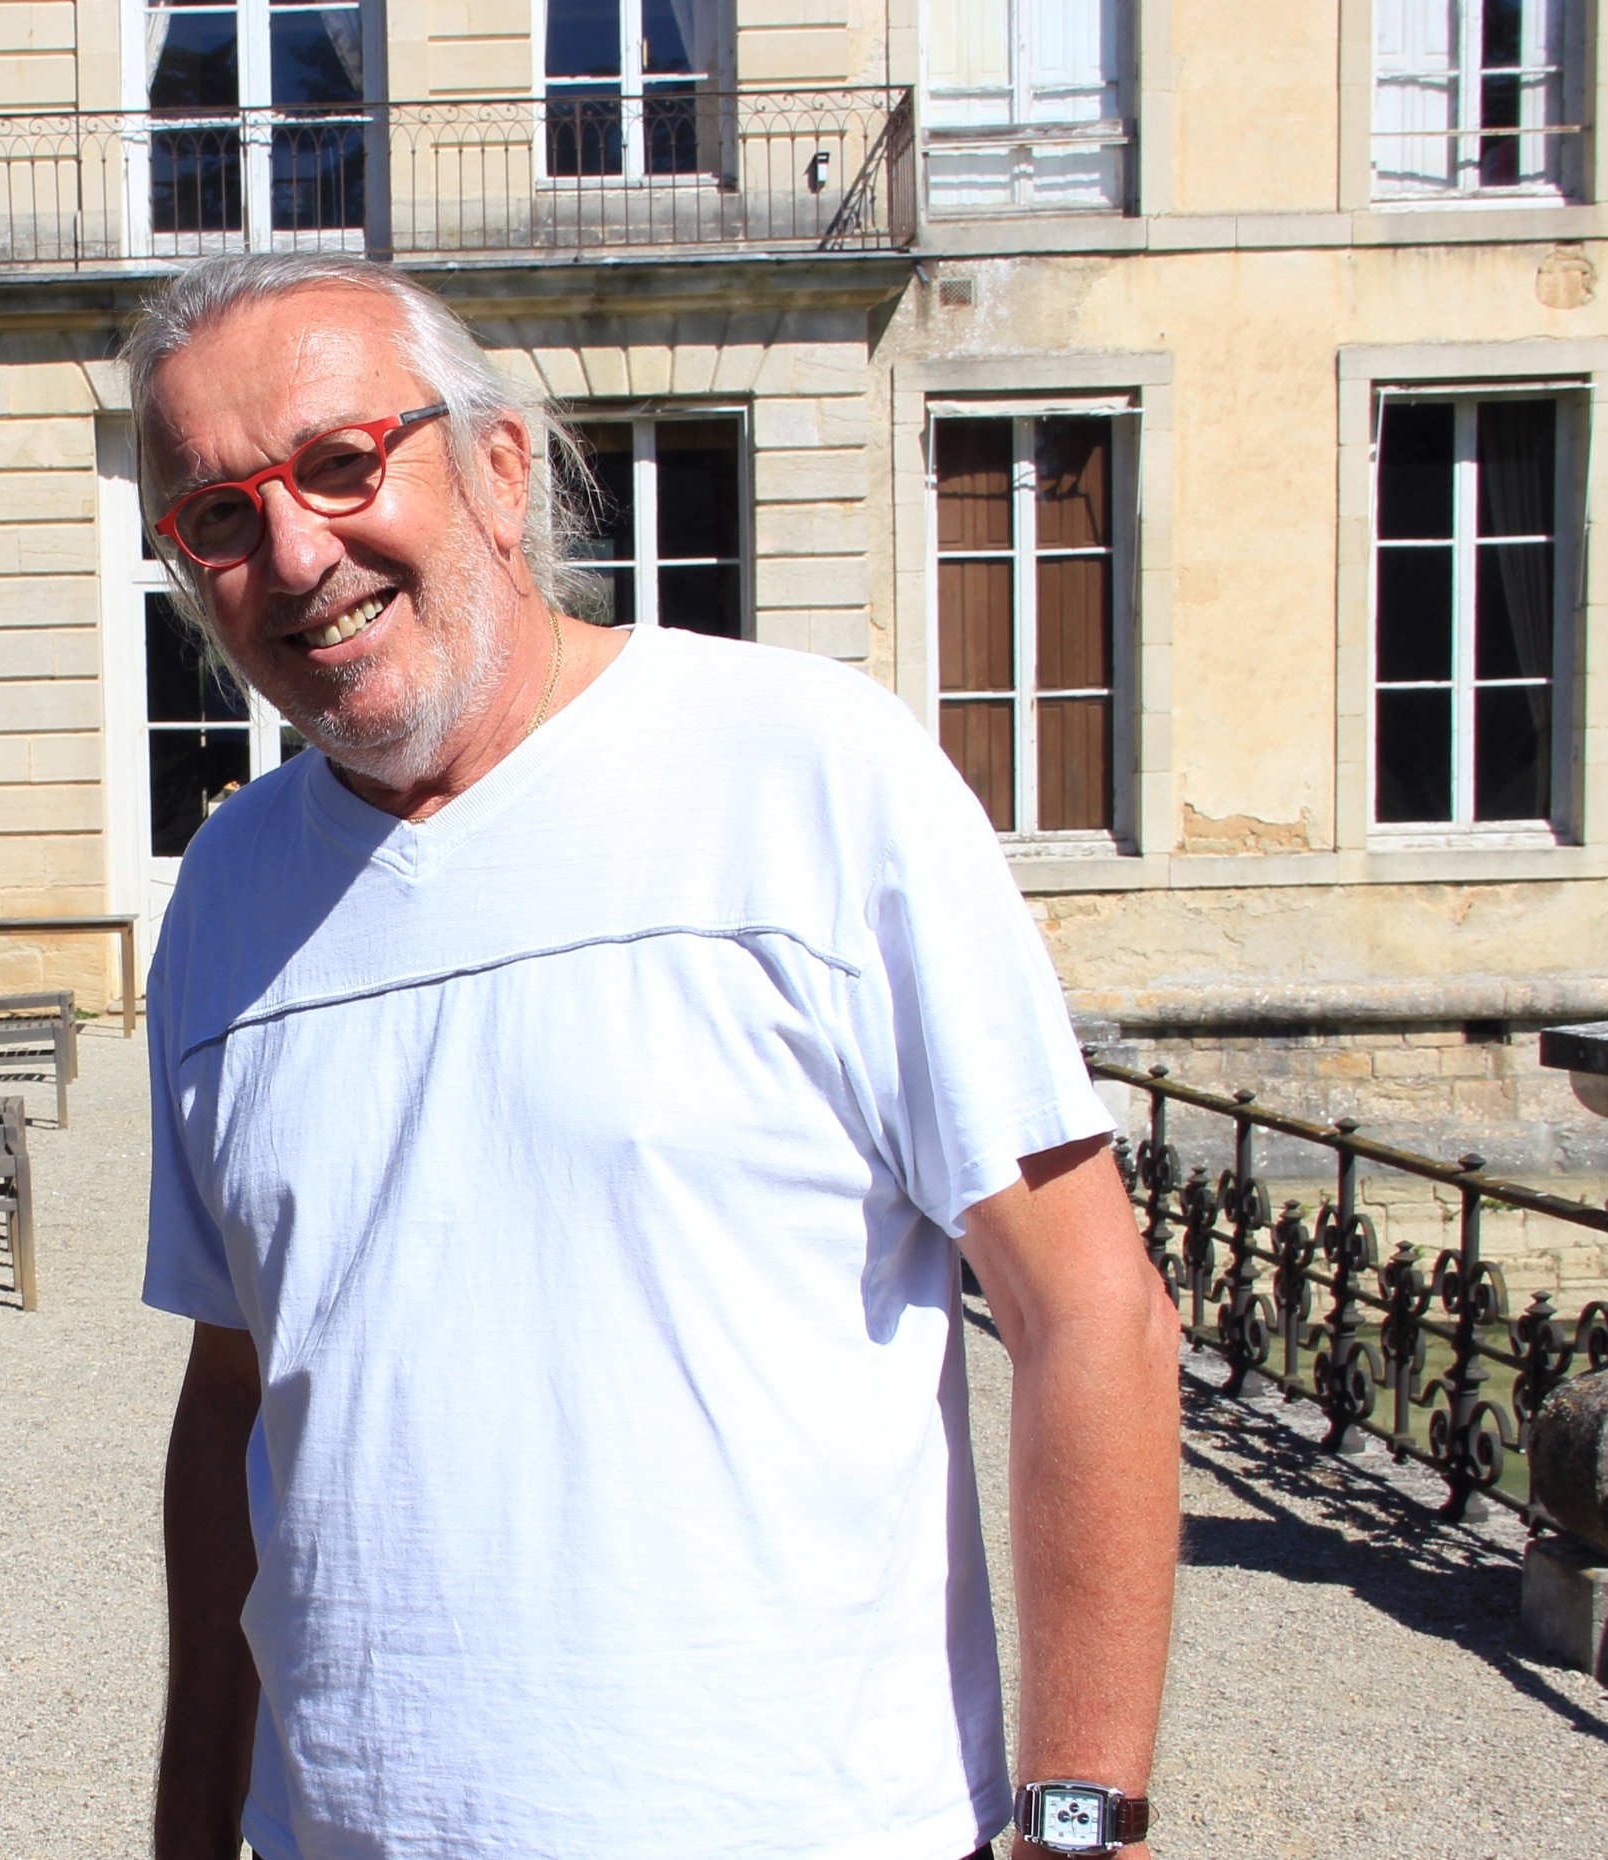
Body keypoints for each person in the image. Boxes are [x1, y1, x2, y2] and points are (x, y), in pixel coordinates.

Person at [130, 253, 1183, 1860]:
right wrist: (195, 1816)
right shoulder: (223, 894)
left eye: (342, 462)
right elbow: (234, 1400)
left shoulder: (809, 770)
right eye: (219, 514)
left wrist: (1077, 1818)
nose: (294, 549)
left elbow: (1086, 1306)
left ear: (495, 466)